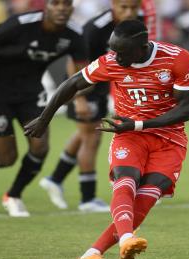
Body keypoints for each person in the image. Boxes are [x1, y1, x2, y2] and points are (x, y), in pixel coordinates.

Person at [24, 19, 189, 259]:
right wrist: (44, 118)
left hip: (169, 140)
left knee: (146, 199)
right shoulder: (112, 61)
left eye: (122, 52)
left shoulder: (177, 59)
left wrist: (139, 124)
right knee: (125, 180)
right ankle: (127, 237)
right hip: (128, 136)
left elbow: (187, 109)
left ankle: (91, 255)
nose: (116, 56)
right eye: (113, 49)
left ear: (141, 47)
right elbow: (72, 83)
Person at [0, 0, 87, 217]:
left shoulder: (74, 33)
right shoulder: (21, 23)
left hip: (31, 93)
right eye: (56, 3)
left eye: (67, 4)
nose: (62, 8)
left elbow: (83, 72)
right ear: (46, 6)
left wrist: (77, 96)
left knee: (40, 146)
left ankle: (14, 195)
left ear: (72, 8)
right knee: (7, 158)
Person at [39, 0, 158, 212]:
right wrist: (79, 98)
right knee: (92, 139)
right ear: (113, 5)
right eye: (124, 7)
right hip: (84, 87)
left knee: (85, 134)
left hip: (102, 86)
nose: (130, 12)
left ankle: (55, 179)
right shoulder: (95, 28)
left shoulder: (136, 25)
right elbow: (74, 61)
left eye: (134, 7)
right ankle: (87, 198)